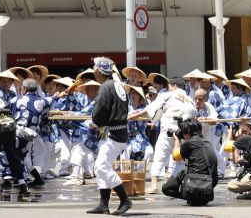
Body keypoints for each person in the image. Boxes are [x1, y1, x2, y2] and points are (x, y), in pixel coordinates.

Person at [132, 76, 196, 193]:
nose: (168, 88)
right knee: (180, 160)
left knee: (159, 158)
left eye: (169, 86)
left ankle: (154, 185)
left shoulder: (168, 95)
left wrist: (133, 116)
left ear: (174, 85)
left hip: (168, 132)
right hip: (183, 134)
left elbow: (151, 109)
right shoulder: (190, 99)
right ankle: (174, 183)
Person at [85, 57, 131, 215]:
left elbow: (100, 111)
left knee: (101, 166)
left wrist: (95, 122)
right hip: (118, 131)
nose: (93, 71)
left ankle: (125, 199)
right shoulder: (118, 85)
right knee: (101, 166)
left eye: (94, 68)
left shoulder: (105, 87)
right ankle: (103, 204)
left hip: (113, 133)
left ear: (98, 70)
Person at [161, 119, 218, 206]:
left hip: (196, 183)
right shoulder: (208, 143)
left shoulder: (188, 144)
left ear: (187, 133)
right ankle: (198, 196)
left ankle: (190, 195)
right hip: (208, 186)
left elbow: (175, 157)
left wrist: (177, 140)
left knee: (167, 188)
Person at [64, 80, 99, 187]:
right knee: (78, 151)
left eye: (89, 89)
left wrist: (72, 114)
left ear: (96, 90)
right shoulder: (91, 101)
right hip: (95, 132)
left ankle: (78, 177)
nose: (87, 92)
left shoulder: (96, 102)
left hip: (101, 134)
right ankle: (77, 176)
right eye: (86, 89)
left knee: (80, 151)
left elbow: (83, 112)